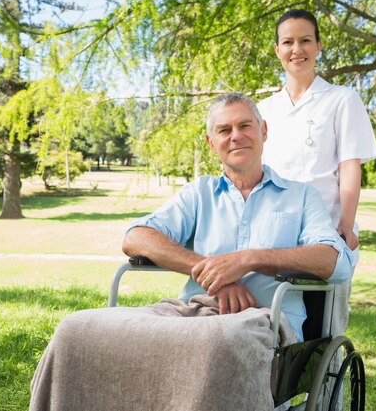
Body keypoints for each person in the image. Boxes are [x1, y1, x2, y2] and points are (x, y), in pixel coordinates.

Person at [28, 93, 353, 411]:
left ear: (264, 131)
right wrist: (213, 272)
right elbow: (136, 237)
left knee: (218, 345)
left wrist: (248, 260)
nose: (236, 136)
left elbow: (331, 260)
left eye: (245, 126)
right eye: (224, 130)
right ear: (212, 143)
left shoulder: (301, 197)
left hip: (264, 320)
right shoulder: (199, 194)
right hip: (191, 313)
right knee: (76, 329)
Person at [257, 9, 376, 336]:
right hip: (276, 235)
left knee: (323, 332)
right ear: (277, 49)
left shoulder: (341, 99)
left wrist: (346, 225)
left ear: (318, 45)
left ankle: (328, 389)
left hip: (325, 233)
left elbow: (349, 165)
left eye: (305, 40)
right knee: (273, 329)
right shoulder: (264, 110)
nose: (297, 49)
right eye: (288, 42)